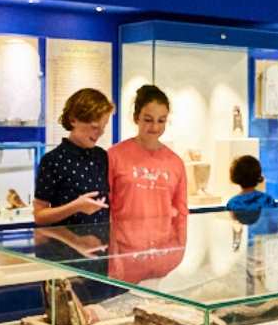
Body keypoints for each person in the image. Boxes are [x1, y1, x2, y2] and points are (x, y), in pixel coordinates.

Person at [34, 88, 114, 226]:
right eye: (95, 127)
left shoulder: (101, 156)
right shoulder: (52, 160)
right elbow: (39, 215)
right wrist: (75, 207)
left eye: (103, 127)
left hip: (101, 243)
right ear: (73, 120)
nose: (100, 133)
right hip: (64, 245)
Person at [107, 85, 187, 221]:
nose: (155, 127)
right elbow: (104, 206)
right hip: (123, 241)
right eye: (148, 120)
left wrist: (179, 241)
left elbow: (181, 212)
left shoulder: (176, 162)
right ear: (136, 117)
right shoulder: (114, 156)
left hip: (165, 241)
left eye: (161, 121)